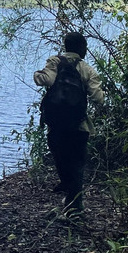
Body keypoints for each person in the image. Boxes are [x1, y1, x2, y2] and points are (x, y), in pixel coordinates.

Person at [33, 32, 103, 215]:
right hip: (78, 125)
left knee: (60, 157)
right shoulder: (87, 69)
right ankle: (75, 204)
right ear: (82, 48)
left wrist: (37, 74)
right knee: (77, 163)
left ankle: (68, 192)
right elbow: (98, 98)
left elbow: (44, 80)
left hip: (56, 123)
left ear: (65, 46)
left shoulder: (55, 62)